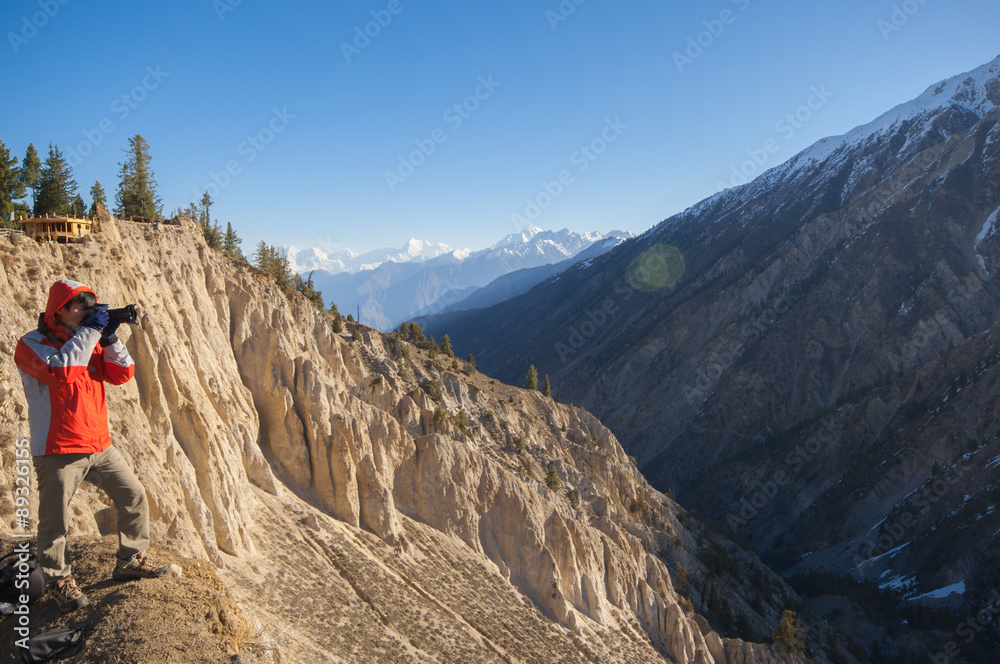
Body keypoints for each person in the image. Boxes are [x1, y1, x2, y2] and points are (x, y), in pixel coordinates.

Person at [14, 279, 168, 613]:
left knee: (133, 495)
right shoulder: (31, 343)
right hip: (57, 446)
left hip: (98, 442)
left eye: (90, 307)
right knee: (55, 520)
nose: (87, 312)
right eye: (80, 307)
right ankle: (58, 580)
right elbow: (62, 371)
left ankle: (131, 559)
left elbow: (122, 373)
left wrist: (109, 337)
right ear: (59, 311)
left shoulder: (90, 340)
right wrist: (92, 332)